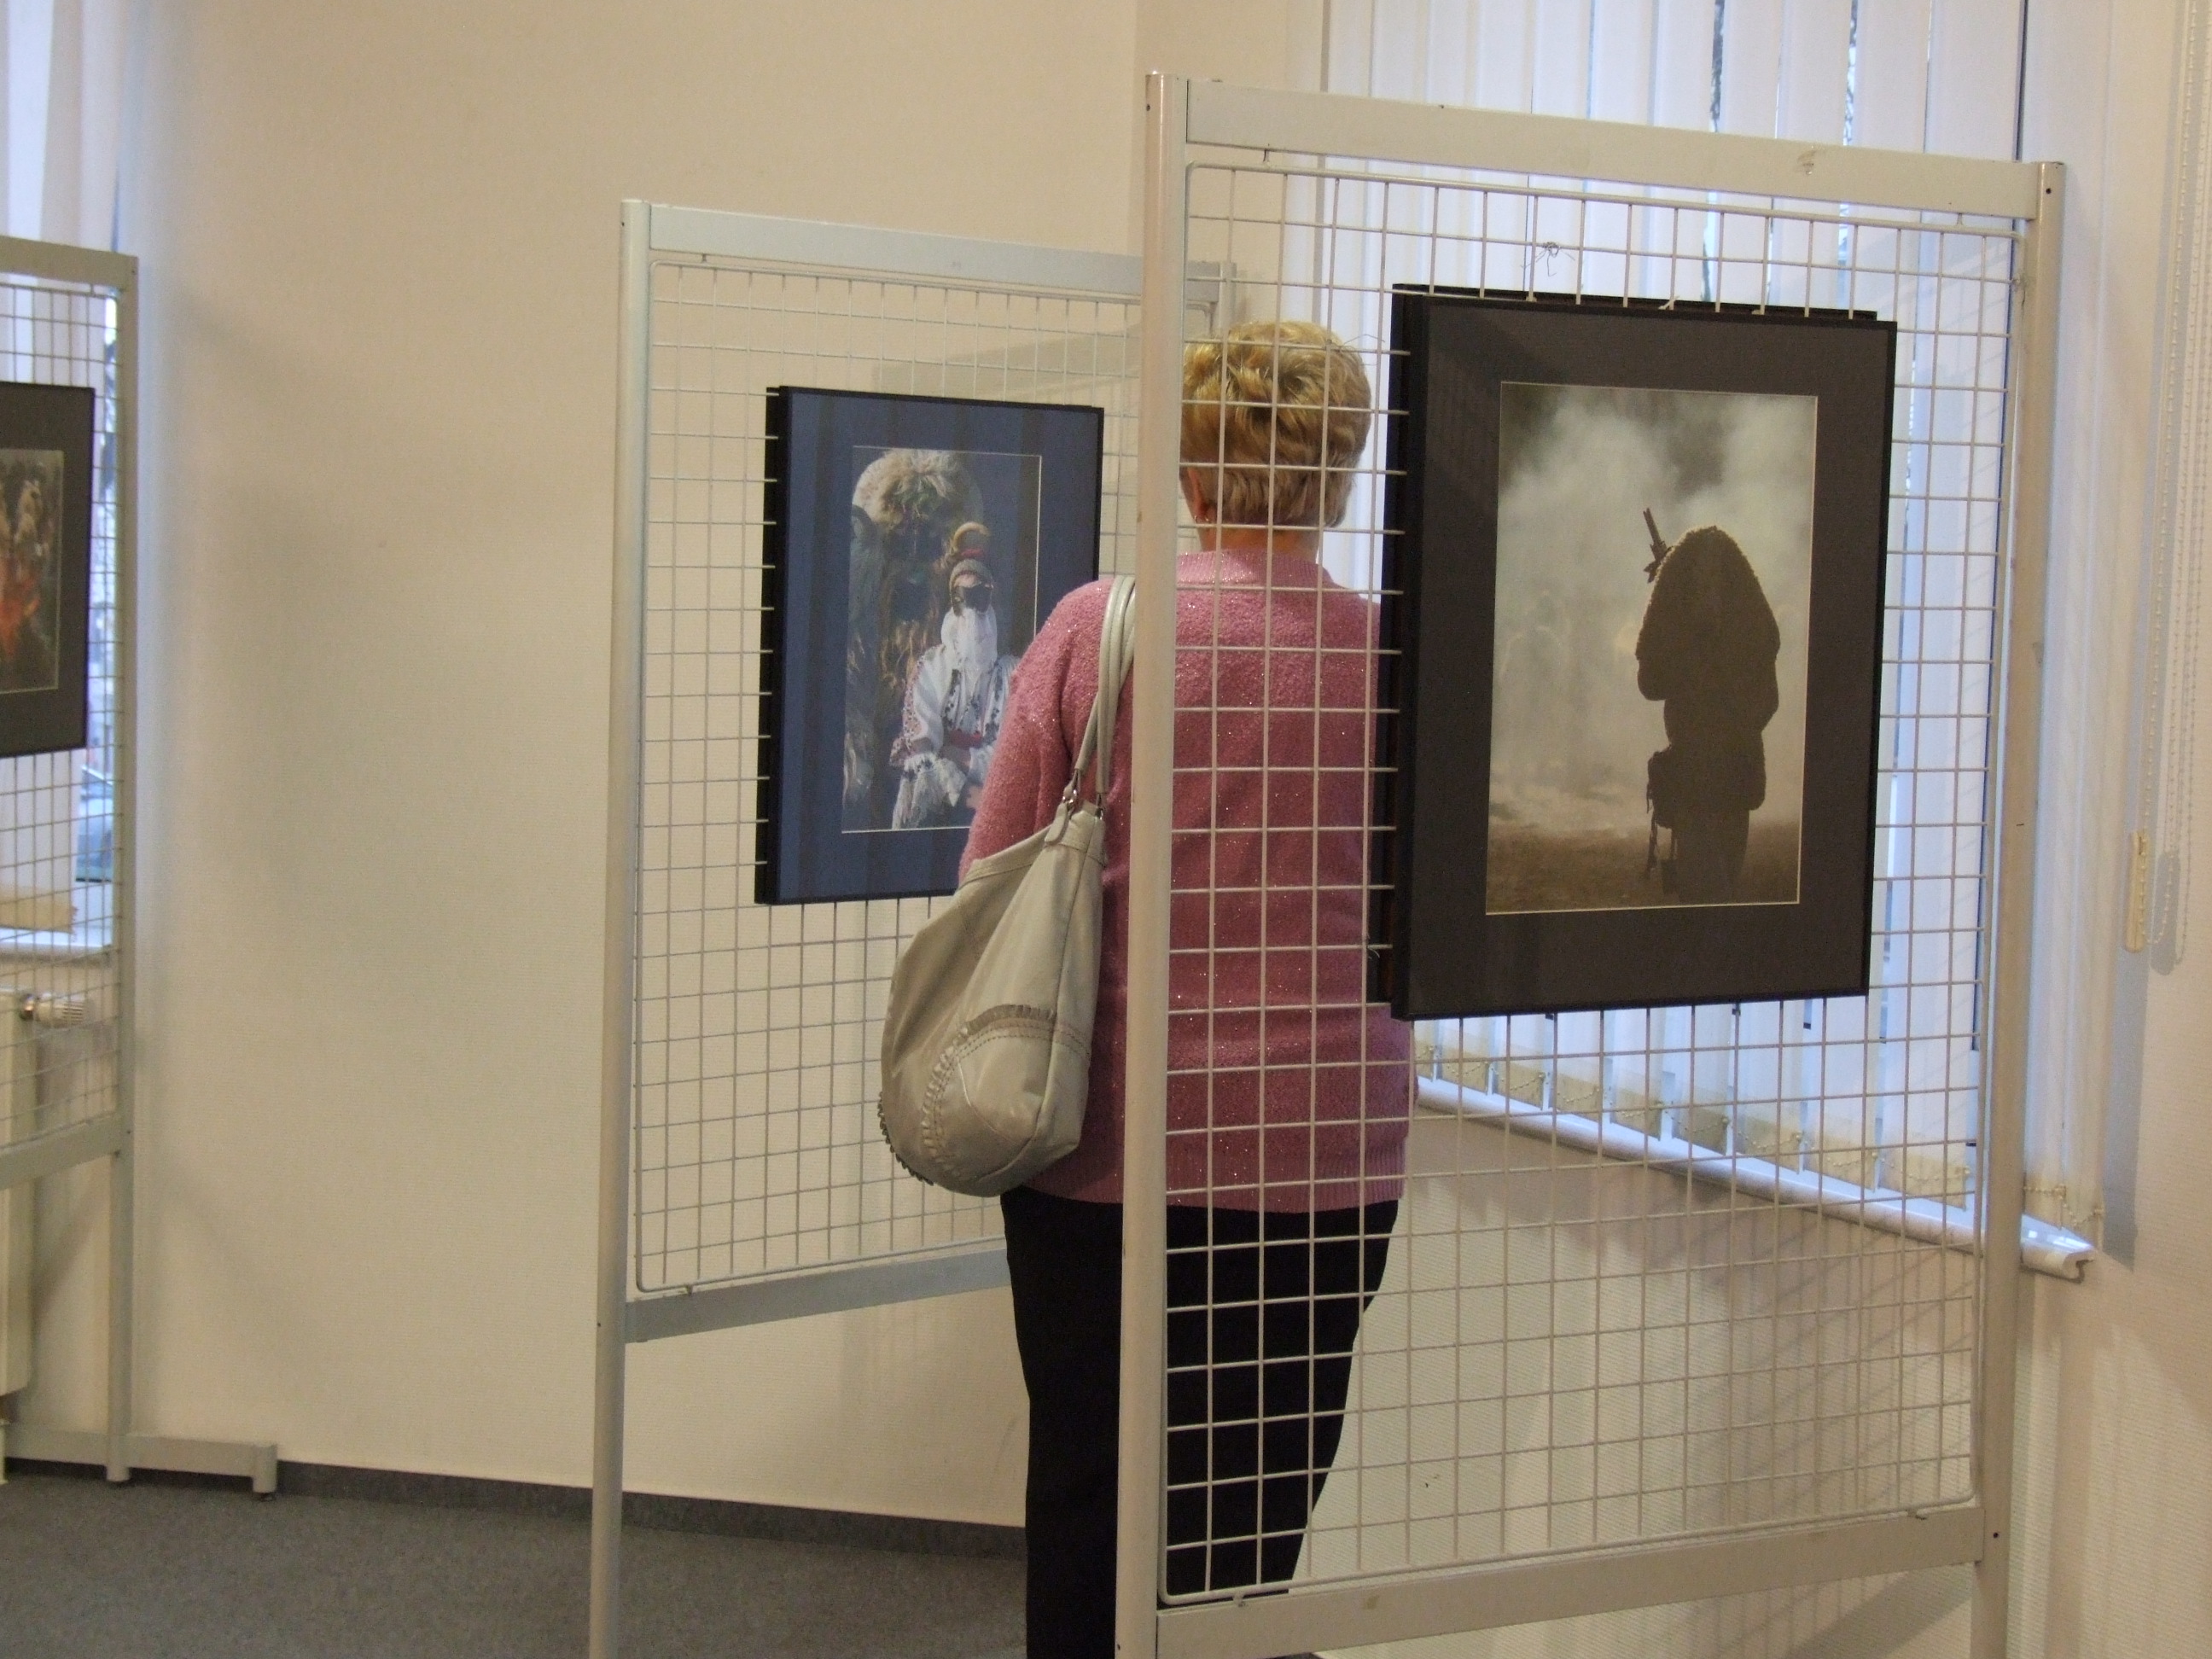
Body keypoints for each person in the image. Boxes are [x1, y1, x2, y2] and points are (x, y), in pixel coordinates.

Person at [963, 320, 1412, 1658]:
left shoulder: (1101, 631)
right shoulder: (1398, 659)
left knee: (1091, 1495)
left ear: (1194, 471)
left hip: (1107, 1136)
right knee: (1254, 1517)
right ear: (1339, 476)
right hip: (1324, 1146)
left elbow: (992, 869)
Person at [1634, 523, 1781, 903]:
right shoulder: (1752, 624)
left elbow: (1650, 682)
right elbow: (1768, 702)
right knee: (1725, 884)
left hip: (1694, 772)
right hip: (1740, 769)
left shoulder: (1678, 606)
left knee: (1700, 892)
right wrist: (1737, 726)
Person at [889, 528, 1016, 828]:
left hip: (995, 799)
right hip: (939, 806)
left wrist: (961, 756)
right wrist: (970, 792)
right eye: (961, 598)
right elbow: (922, 752)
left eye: (978, 597)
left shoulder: (1011, 674)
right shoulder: (933, 667)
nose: (970, 610)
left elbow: (1011, 754)